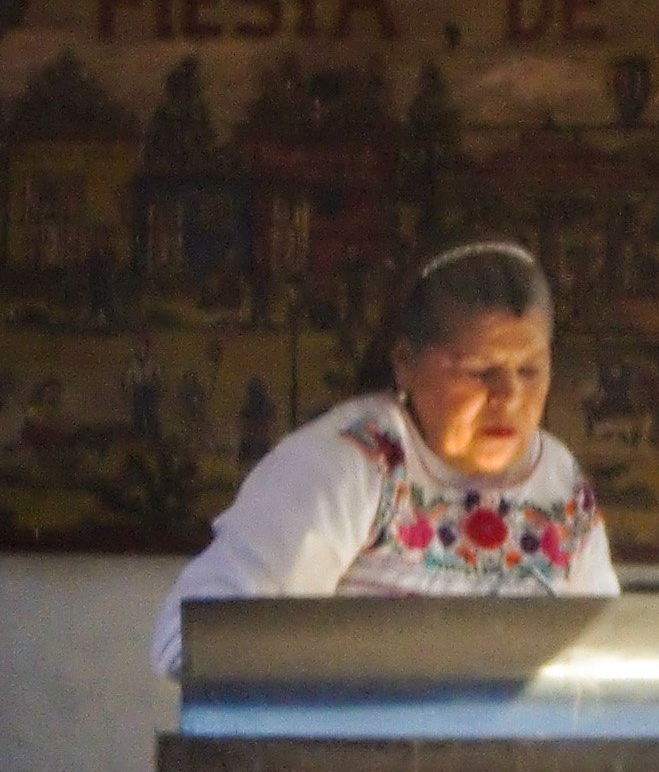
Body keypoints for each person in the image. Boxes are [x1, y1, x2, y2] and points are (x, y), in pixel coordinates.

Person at [149, 241, 618, 677]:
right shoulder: (350, 463)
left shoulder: (559, 481)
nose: (509, 397)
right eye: (479, 371)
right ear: (405, 363)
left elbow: (607, 655)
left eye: (529, 370)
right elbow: (188, 641)